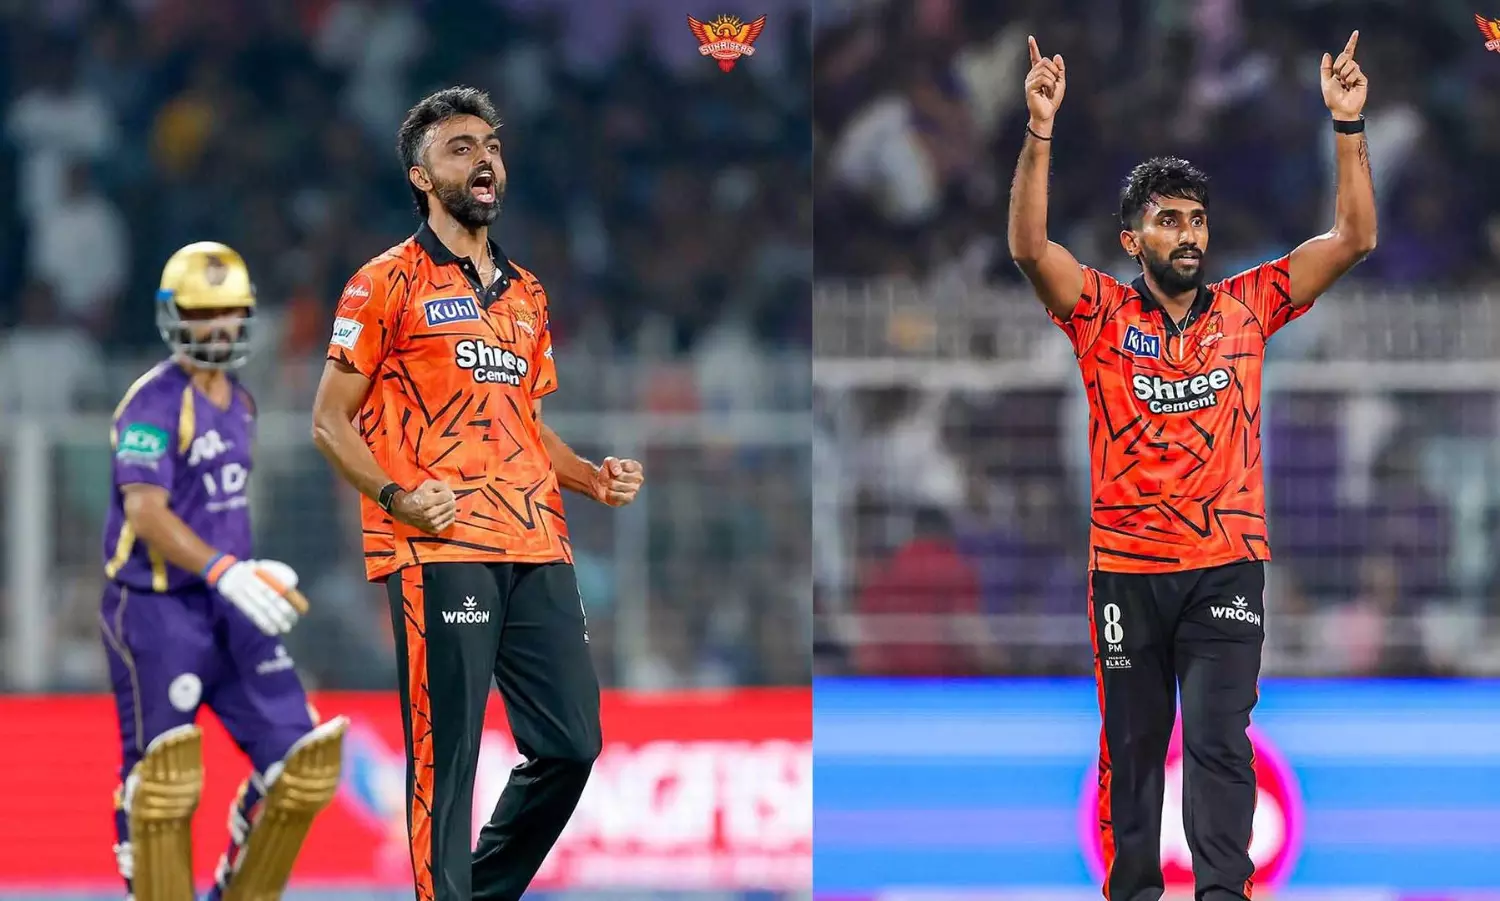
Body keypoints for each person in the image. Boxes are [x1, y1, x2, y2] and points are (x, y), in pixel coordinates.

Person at [1007, 32, 1376, 901]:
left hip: (1225, 564)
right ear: (1131, 238)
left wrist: (1348, 125)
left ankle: (1222, 895)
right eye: (1167, 219)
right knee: (1133, 750)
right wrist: (1040, 129)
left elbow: (1354, 238)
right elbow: (1028, 248)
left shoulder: (1249, 306)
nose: (1187, 233)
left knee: (1219, 740)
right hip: (1127, 568)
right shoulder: (1098, 313)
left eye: (1196, 219)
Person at [310, 86, 646, 901]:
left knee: (572, 742)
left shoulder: (527, 293)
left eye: (490, 145)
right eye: (460, 148)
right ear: (422, 177)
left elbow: (526, 422)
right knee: (446, 755)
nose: (484, 158)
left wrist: (590, 477)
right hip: (442, 542)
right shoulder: (384, 281)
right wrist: (397, 498)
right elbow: (327, 421)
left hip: (537, 539)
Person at [100, 241, 347, 901]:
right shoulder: (152, 404)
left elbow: (220, 508)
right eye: (202, 312)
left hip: (228, 602)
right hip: (156, 608)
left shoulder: (241, 404)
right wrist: (222, 569)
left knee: (299, 763)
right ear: (173, 315)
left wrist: (247, 571)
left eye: (229, 311)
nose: (218, 326)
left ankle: (232, 888)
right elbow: (145, 511)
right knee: (161, 783)